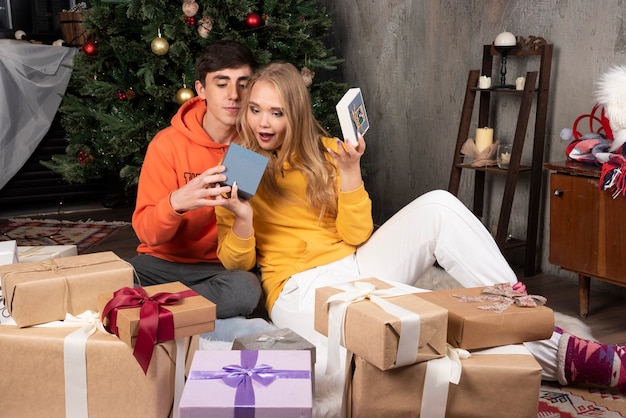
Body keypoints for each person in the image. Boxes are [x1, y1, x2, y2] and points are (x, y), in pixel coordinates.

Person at [216, 61, 626, 393]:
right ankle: (581, 361)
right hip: (299, 291)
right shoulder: (239, 164)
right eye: (255, 110)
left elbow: (357, 235)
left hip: (355, 265)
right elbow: (234, 262)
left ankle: (514, 308)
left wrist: (350, 172)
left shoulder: (328, 153)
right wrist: (244, 220)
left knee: (439, 205)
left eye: (276, 112)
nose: (263, 123)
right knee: (428, 325)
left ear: (296, 113)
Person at [127, 40, 263, 319]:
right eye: (221, 84)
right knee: (113, 280)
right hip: (160, 264)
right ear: (201, 90)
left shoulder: (258, 144)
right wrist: (177, 202)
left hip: (221, 270)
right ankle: (176, 310)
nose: (234, 95)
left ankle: (152, 310)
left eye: (243, 84)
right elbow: (147, 234)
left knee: (246, 290)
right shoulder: (167, 144)